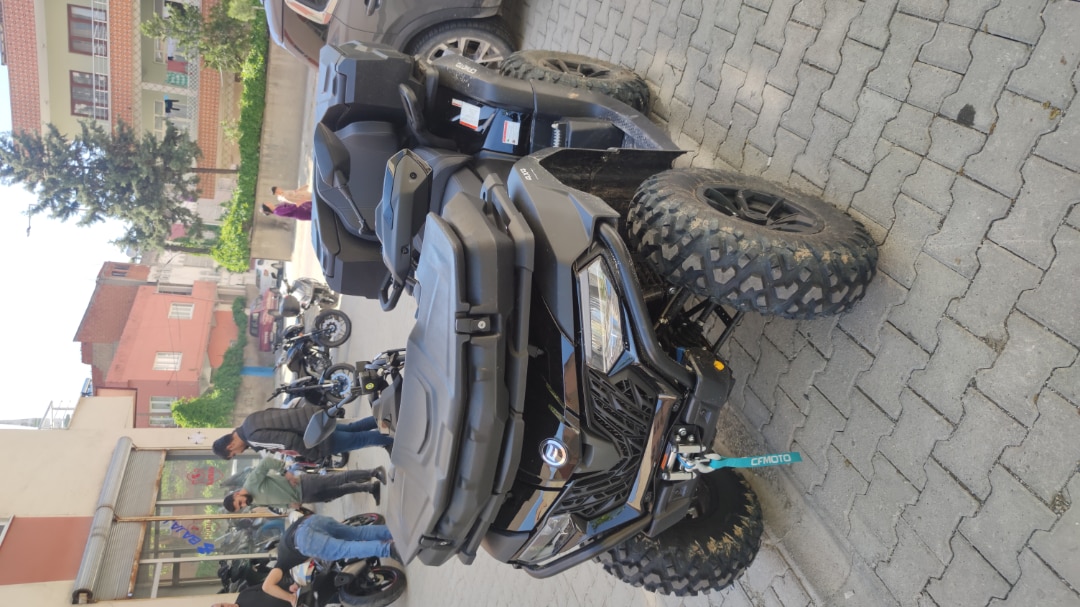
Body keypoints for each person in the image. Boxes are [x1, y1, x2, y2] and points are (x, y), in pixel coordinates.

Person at [260, 513, 395, 606]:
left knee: (346, 549)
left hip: (305, 539)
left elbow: (266, 586)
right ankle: (391, 533)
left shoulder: (281, 563)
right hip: (312, 520)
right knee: (356, 533)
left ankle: (389, 549)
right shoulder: (284, 547)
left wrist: (291, 598)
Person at [212, 405, 394, 462]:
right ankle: (387, 419)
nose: (238, 453)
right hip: (312, 418)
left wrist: (313, 455)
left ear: (230, 445)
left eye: (233, 454)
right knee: (353, 428)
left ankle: (395, 440)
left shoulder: (253, 438)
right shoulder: (249, 420)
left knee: (359, 439)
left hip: (315, 437)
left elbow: (288, 440)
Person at [223, 456, 386, 510]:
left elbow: (265, 463)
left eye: (240, 502)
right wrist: (289, 506)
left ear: (236, 494)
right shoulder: (254, 501)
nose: (244, 504)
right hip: (304, 498)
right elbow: (273, 502)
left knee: (338, 479)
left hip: (303, 484)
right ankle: (370, 488)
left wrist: (285, 472)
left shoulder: (251, 483)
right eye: (241, 507)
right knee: (338, 492)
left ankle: (373, 472)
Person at [211, 585, 292, 607]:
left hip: (293, 594)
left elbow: (269, 585)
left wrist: (289, 587)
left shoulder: (243, 594)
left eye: (222, 606)